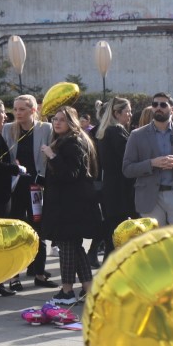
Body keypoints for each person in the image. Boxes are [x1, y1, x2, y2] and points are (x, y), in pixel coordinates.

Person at [39, 107, 104, 307]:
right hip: (70, 205)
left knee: (67, 247)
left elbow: (71, 174)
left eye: (62, 120)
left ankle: (67, 290)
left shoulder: (72, 142)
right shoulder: (69, 140)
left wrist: (52, 156)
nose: (57, 123)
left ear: (71, 123)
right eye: (55, 119)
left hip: (70, 207)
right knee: (75, 248)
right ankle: (89, 288)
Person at [121, 92, 173, 226]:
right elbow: (127, 169)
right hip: (149, 197)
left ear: (172, 109)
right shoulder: (137, 135)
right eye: (155, 104)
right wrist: (151, 163)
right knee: (154, 243)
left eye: (163, 104)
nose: (158, 107)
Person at [3, 95, 54, 289]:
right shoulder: (8, 129)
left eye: (22, 109)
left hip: (36, 187)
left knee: (38, 230)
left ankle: (39, 273)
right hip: (16, 187)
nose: (17, 113)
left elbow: (50, 156)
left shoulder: (45, 129)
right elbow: (4, 156)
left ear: (33, 110)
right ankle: (13, 277)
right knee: (15, 231)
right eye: (15, 109)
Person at [96, 98, 136, 253]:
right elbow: (128, 157)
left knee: (113, 234)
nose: (130, 115)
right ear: (117, 113)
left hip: (111, 186)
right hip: (120, 188)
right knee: (118, 235)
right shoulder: (116, 131)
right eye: (127, 111)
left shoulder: (105, 130)